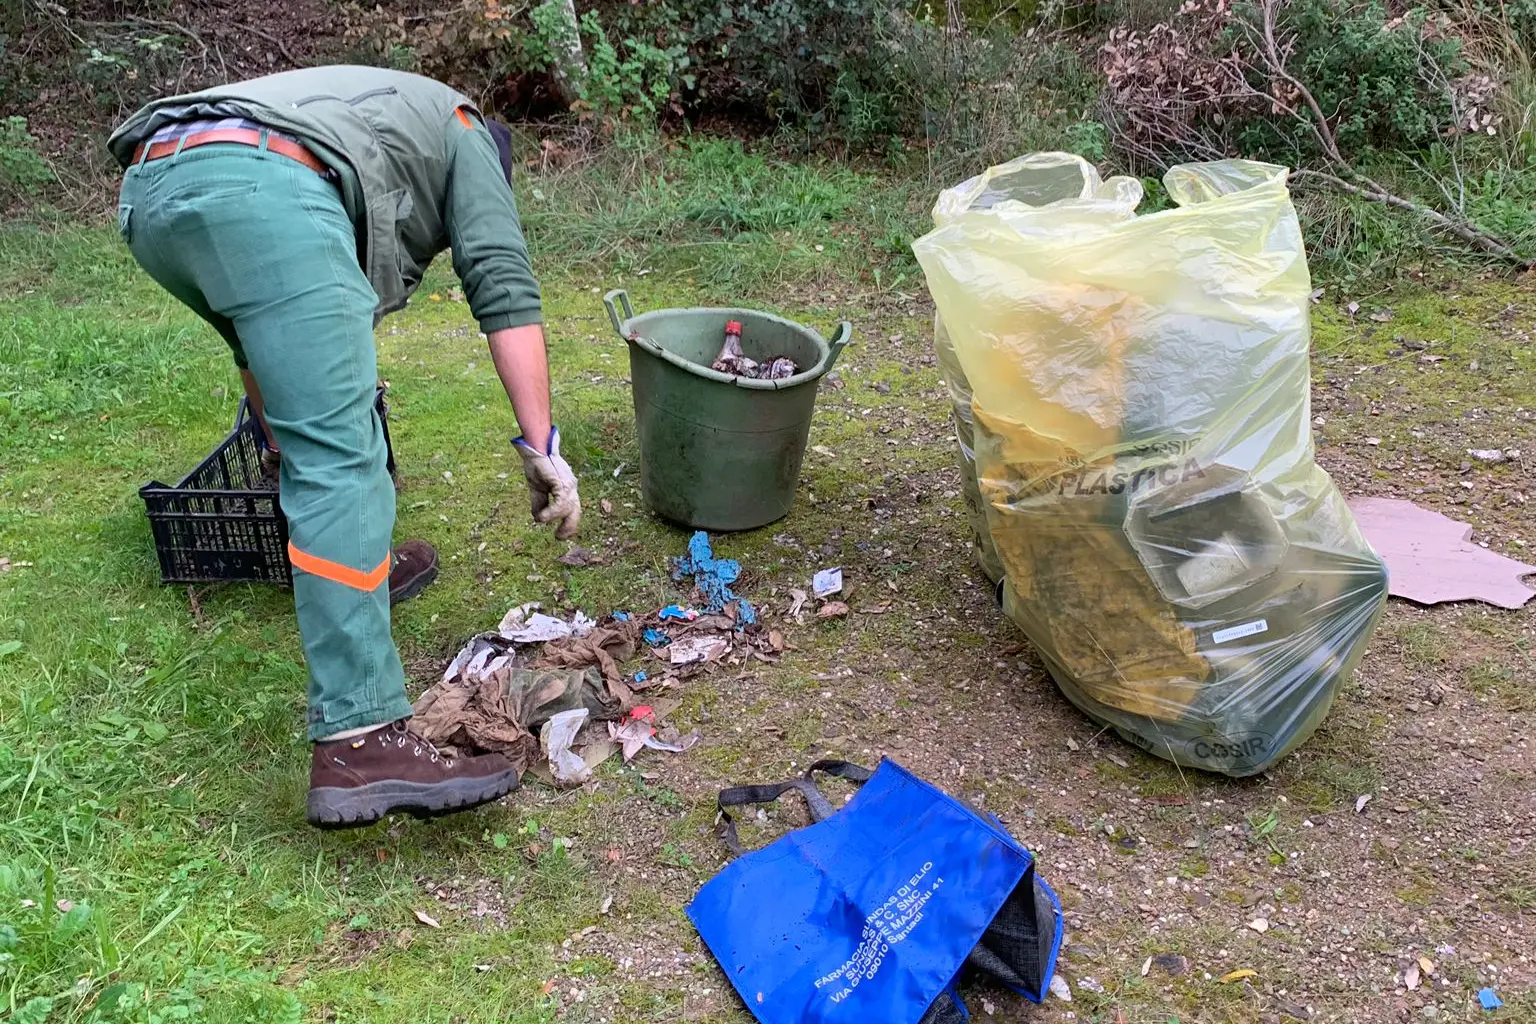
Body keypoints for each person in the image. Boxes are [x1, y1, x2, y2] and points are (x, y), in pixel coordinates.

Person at [109, 66, 582, 828]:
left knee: (303, 416)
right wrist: (542, 444)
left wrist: (279, 441)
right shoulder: (466, 132)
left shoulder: (386, 115)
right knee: (340, 463)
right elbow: (502, 282)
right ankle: (360, 737)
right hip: (265, 185)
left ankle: (356, 575)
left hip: (157, 185)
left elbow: (263, 349)